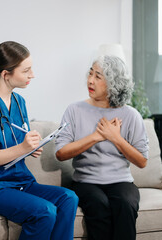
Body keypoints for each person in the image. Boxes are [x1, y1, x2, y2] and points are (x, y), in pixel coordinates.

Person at [0, 41, 78, 240]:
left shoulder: (19, 102)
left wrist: (31, 148)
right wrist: (22, 147)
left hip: (19, 181)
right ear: (6, 74)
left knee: (69, 198)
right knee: (45, 211)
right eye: (26, 70)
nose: (32, 75)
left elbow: (15, 144)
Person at [55, 55, 149, 240]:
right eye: (91, 73)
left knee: (126, 204)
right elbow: (61, 153)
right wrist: (97, 136)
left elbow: (142, 161)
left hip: (121, 181)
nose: (90, 80)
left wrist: (116, 138)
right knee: (99, 204)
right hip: (85, 182)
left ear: (114, 83)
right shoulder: (74, 110)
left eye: (98, 76)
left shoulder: (131, 115)